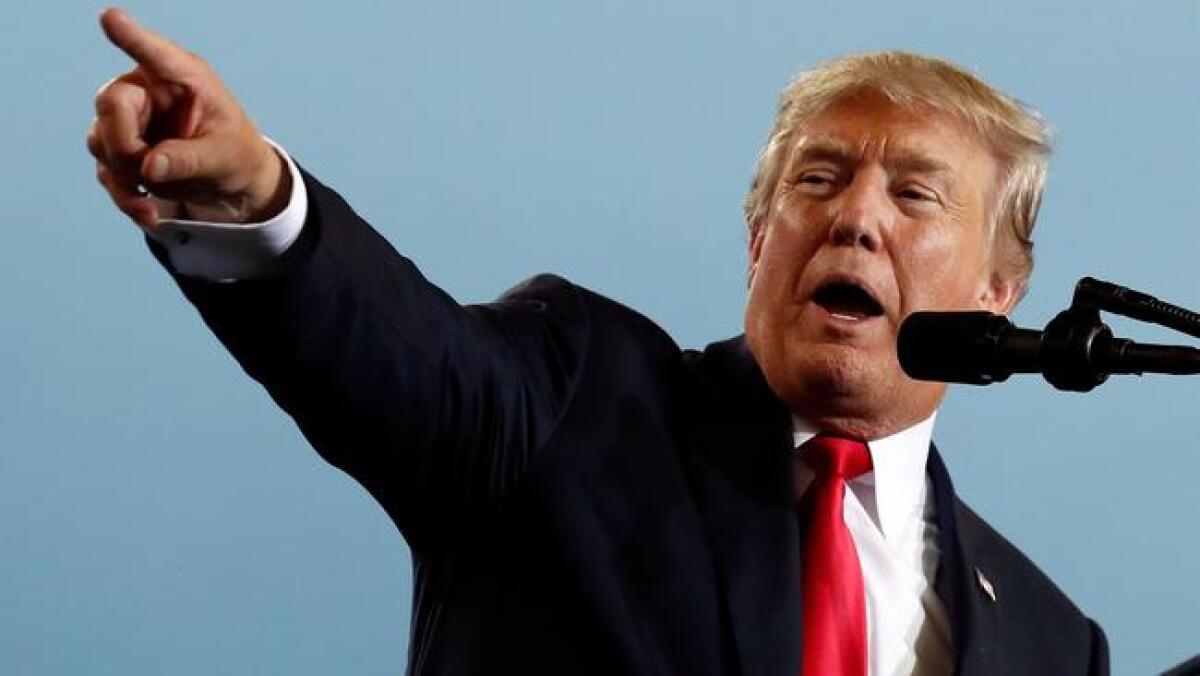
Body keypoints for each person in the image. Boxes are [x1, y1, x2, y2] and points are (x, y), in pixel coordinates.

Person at [88, 7, 1108, 676]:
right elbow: (401, 357)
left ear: (998, 290)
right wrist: (253, 201)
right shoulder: (581, 399)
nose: (855, 219)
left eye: (915, 193)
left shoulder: (1054, 642)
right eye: (817, 178)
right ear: (759, 241)